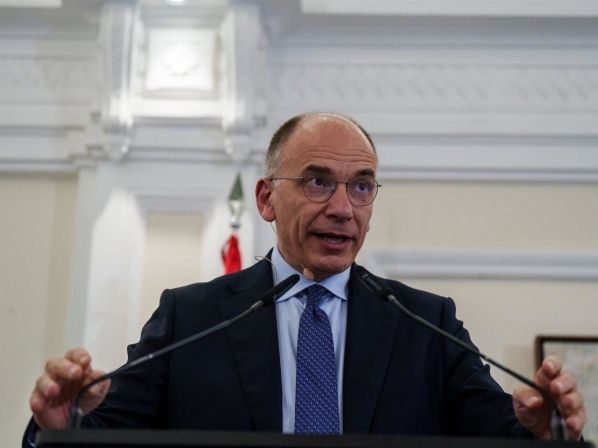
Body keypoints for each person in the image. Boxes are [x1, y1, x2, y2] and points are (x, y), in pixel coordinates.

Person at [26, 112, 586, 444]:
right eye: (318, 182)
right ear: (267, 199)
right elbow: (103, 436)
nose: (343, 208)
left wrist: (545, 429)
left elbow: (501, 436)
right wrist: (57, 424)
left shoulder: (425, 323)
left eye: (361, 186)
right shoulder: (191, 318)